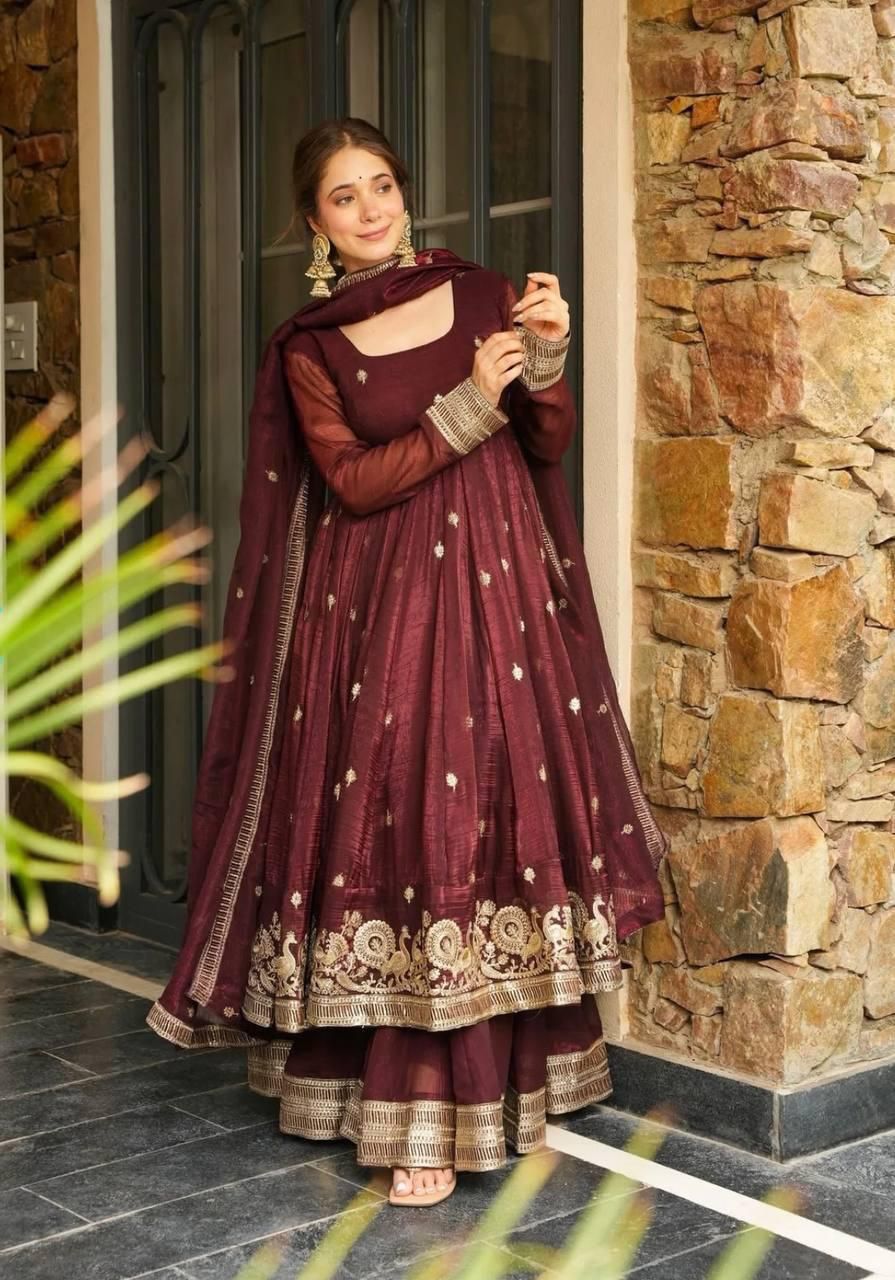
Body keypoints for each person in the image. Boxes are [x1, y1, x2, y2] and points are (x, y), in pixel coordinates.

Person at [147, 117, 667, 1208]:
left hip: (501, 606)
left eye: (380, 185)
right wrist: (469, 399)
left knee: (494, 822)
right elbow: (352, 482)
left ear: (404, 190)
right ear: (314, 222)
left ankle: (516, 1082)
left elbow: (544, 440)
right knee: (403, 826)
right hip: (377, 613)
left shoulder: (479, 294)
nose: (370, 209)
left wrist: (547, 354)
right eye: (344, 196)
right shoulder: (310, 345)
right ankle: (411, 1112)